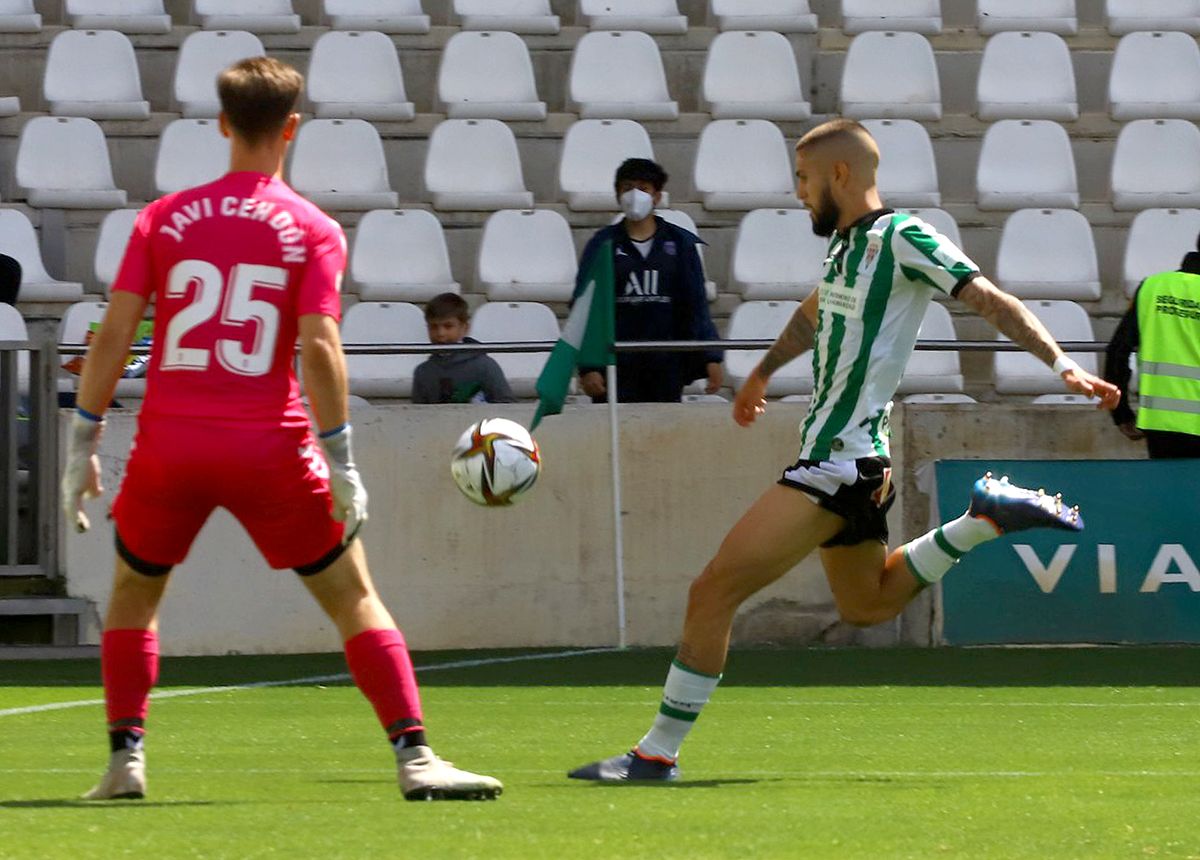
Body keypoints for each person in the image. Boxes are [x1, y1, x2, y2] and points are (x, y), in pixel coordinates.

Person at [568, 118, 1121, 782]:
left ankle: (656, 754)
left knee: (711, 591)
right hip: (858, 463)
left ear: (839, 175)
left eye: (803, 179)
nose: (798, 193)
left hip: (839, 463)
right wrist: (765, 373)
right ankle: (982, 521)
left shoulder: (902, 237)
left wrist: (1060, 362)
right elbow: (811, 316)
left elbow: (987, 299)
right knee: (868, 605)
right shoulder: (844, 251)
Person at [61, 57, 502, 802]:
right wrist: (342, 459)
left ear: (223, 124)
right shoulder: (312, 227)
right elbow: (319, 347)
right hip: (269, 445)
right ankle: (415, 756)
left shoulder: (162, 218)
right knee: (353, 596)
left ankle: (124, 762)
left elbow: (112, 337)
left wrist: (84, 439)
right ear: (292, 128)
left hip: (171, 445)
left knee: (134, 593)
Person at [577, 158, 723, 403]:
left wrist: (711, 357)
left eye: (643, 188)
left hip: (666, 364)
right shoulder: (602, 244)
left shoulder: (680, 244)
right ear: (617, 195)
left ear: (657, 196)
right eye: (627, 188)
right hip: (615, 365)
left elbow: (695, 304)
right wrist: (588, 365)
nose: (635, 195)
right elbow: (585, 307)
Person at [1103, 236, 1200, 458]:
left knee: (1168, 493)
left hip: (1162, 427)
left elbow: (1117, 351)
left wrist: (1121, 413)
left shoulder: (1152, 288)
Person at [411, 292, 515, 404]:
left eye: (448, 326)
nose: (440, 333)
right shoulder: (423, 371)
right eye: (433, 327)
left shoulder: (484, 366)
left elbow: (506, 405)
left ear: (465, 328)